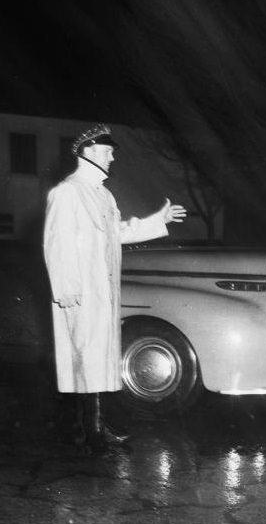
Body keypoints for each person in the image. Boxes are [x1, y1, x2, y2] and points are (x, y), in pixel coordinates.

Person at [43, 123, 187, 452]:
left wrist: (158, 221)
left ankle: (91, 428)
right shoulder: (67, 192)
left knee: (96, 359)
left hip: (102, 291)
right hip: (80, 292)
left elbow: (116, 233)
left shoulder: (102, 194)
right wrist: (66, 287)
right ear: (89, 152)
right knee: (84, 357)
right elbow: (56, 243)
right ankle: (88, 432)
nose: (111, 158)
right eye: (107, 152)